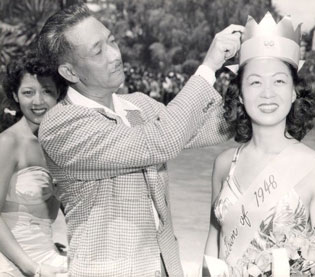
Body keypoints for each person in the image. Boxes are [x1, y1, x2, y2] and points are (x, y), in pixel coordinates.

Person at [36, 3, 244, 277]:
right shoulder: (61, 125)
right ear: (70, 72)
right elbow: (161, 141)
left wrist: (257, 76)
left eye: (112, 41)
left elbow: (214, 128)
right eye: (98, 51)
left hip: (165, 268)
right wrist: (208, 67)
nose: (114, 55)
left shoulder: (138, 106)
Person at [203, 12, 315, 276]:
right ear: (240, 94)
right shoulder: (223, 164)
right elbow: (213, 242)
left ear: (294, 91)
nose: (267, 93)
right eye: (255, 82)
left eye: (279, 81)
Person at [0, 53, 68, 276]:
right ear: (15, 95)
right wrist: (33, 269)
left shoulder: (58, 146)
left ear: (59, 93)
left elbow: (49, 216)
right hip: (10, 260)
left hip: (46, 254)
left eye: (47, 91)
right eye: (28, 92)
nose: (38, 101)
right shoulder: (9, 142)